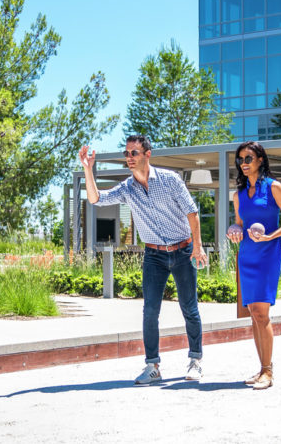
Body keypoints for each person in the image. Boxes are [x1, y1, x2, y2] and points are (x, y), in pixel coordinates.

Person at [80, 135, 208, 384]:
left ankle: (195, 361)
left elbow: (192, 213)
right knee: (150, 311)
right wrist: (88, 168)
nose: (129, 158)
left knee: (189, 308)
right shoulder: (127, 188)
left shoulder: (170, 180)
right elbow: (96, 199)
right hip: (154, 256)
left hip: (183, 251)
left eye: (134, 153)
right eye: (127, 153)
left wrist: (198, 248)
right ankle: (153, 367)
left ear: (148, 154)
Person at [226, 141, 281, 390]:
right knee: (254, 316)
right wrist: (234, 229)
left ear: (260, 160)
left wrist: (271, 236)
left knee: (262, 313)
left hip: (268, 254)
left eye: (248, 159)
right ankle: (261, 369)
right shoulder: (238, 194)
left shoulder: (274, 187)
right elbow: (239, 223)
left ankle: (268, 372)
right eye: (240, 160)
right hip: (246, 255)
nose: (243, 164)